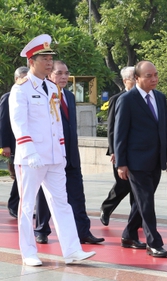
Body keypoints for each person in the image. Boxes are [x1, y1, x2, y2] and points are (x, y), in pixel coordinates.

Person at [9, 34, 95, 266]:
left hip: (55, 158)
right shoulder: (21, 89)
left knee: (62, 203)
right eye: (44, 58)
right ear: (31, 61)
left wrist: (62, 152)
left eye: (50, 58)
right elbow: (19, 124)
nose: (49, 62)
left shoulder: (51, 87)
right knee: (27, 206)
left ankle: (72, 250)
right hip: (32, 158)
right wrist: (29, 151)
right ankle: (28, 252)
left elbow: (56, 124)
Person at [34, 60, 104, 245]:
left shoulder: (70, 96)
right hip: (51, 154)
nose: (64, 77)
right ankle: (41, 230)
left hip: (71, 156)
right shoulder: (42, 95)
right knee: (45, 195)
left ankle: (83, 232)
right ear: (50, 75)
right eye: (59, 73)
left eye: (66, 73)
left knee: (77, 195)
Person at [114, 60, 167, 257]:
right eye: (149, 76)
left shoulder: (160, 98)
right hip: (136, 161)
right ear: (137, 78)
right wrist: (121, 163)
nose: (154, 79)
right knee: (146, 201)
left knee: (142, 202)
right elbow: (120, 134)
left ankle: (129, 235)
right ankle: (154, 242)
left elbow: (165, 128)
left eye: (156, 75)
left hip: (156, 159)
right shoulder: (127, 100)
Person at [100, 66, 136, 227]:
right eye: (133, 78)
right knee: (123, 184)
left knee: (138, 186)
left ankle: (136, 218)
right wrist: (114, 150)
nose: (136, 81)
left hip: (138, 150)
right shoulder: (117, 99)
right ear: (125, 81)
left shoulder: (145, 98)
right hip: (121, 150)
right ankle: (107, 208)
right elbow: (112, 128)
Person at [1, 66, 29, 219]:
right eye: (22, 78)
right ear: (16, 79)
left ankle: (21, 205)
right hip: (15, 143)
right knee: (20, 176)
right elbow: (3, 123)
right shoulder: (8, 97)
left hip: (28, 143)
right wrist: (5, 145)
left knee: (25, 177)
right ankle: (13, 205)